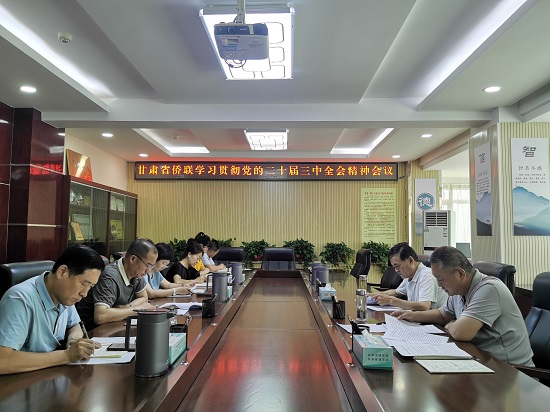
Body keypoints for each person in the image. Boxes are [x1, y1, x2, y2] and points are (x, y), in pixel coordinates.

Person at [393, 246, 534, 366]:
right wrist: (412, 315)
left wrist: (451, 325)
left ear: (460, 274)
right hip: (480, 359)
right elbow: (442, 314)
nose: (439, 285)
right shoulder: (458, 291)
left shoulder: (489, 289)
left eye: (441, 279)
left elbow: (461, 333)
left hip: (510, 370)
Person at [0, 245, 105, 374]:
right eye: (84, 284)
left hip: (48, 375)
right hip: (19, 380)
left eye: (91, 286)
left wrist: (74, 340)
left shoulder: (64, 295)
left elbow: (74, 325)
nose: (84, 293)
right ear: (62, 272)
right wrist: (66, 355)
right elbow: (3, 361)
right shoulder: (19, 300)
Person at [77, 238, 156, 330]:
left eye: (151, 266)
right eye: (148, 265)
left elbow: (143, 298)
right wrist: (137, 309)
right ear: (133, 259)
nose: (148, 271)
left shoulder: (136, 274)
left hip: (114, 325)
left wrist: (128, 307)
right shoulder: (109, 276)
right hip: (93, 330)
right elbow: (100, 316)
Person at [369, 242, 448, 310]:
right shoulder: (410, 276)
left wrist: (391, 301)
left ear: (410, 260)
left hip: (435, 321)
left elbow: (424, 306)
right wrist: (375, 295)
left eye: (397, 266)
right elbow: (396, 292)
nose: (396, 270)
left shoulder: (427, 276)